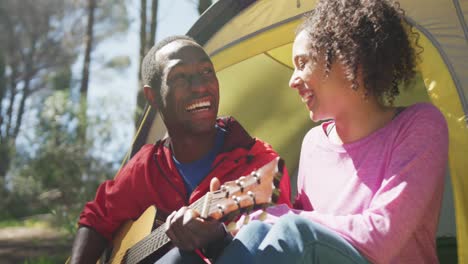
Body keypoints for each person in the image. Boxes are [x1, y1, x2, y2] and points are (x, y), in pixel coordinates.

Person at [215, 0, 449, 263]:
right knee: (257, 230)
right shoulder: (313, 143)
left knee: (293, 229)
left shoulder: (419, 125)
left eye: (302, 63)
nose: (292, 80)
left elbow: (381, 237)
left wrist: (284, 215)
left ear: (351, 60)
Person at [69, 35, 291, 264]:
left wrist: (218, 239)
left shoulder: (258, 163)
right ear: (152, 96)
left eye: (207, 72)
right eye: (180, 76)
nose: (201, 87)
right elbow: (97, 219)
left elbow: (277, 249)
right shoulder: (147, 165)